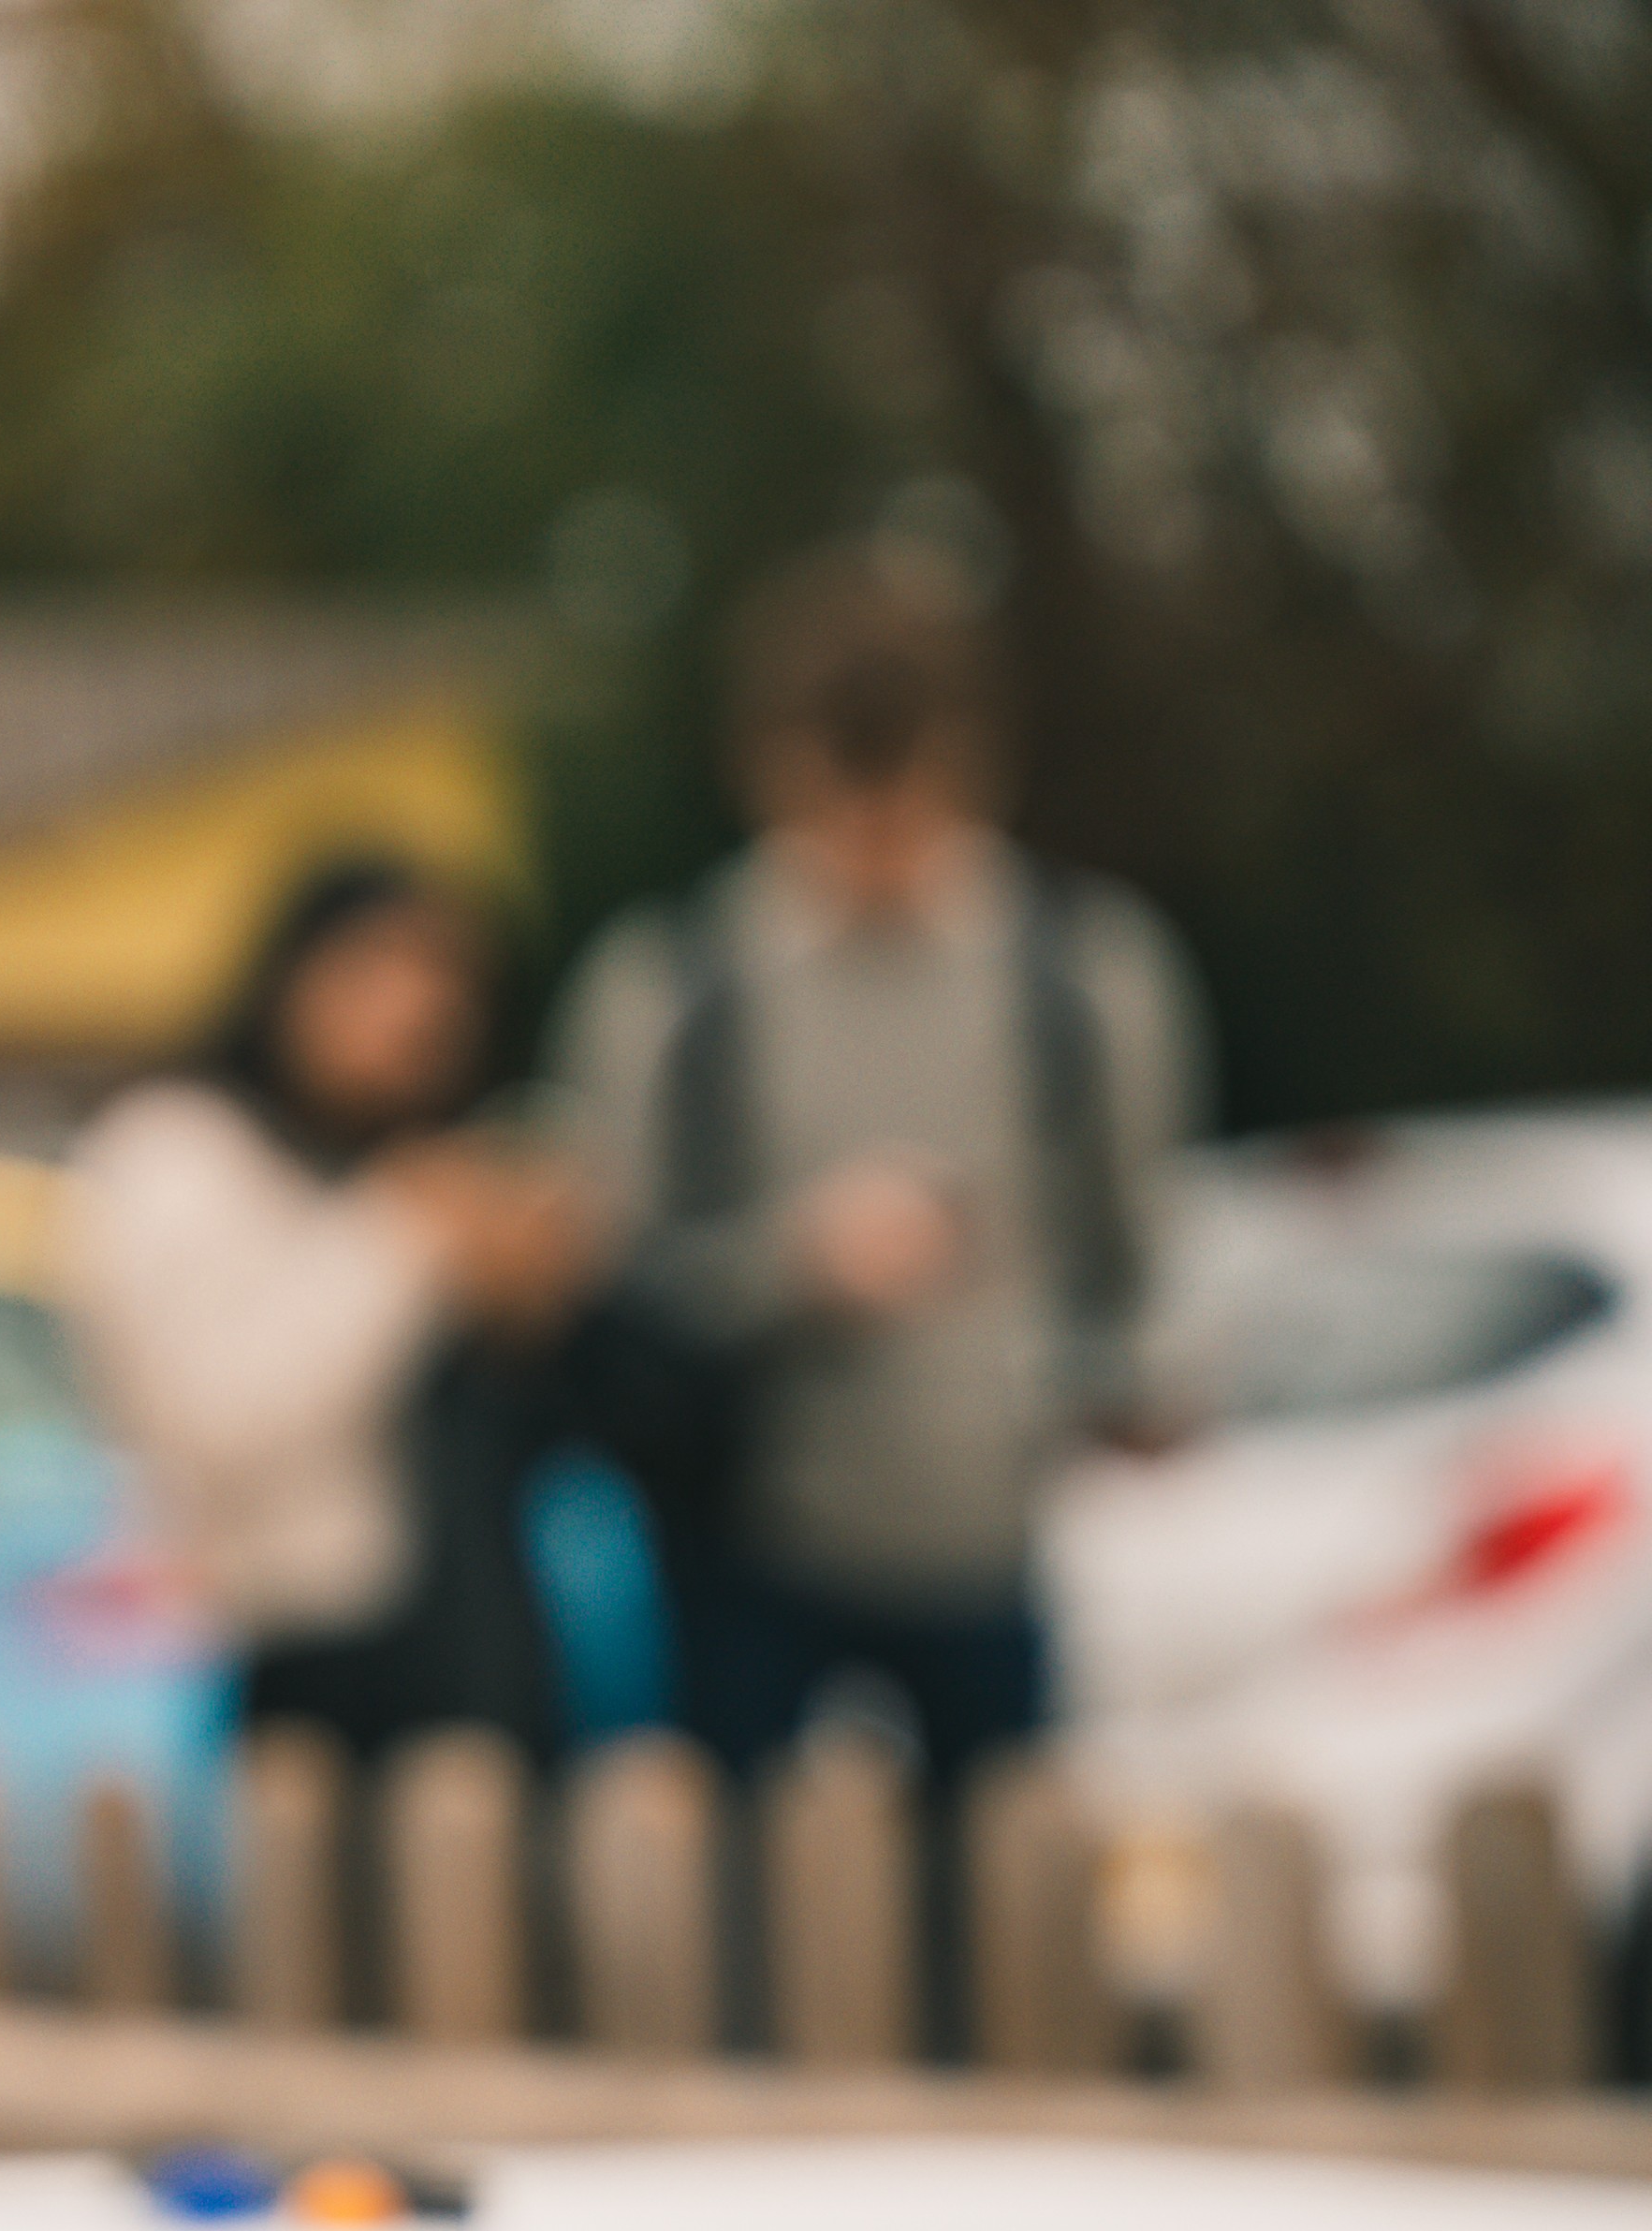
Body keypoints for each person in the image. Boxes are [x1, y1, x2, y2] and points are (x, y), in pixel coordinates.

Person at [552, 541, 1206, 1812]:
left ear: (979, 765)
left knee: (997, 1949)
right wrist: (798, 1264)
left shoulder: (1090, 977)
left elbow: (1132, 1262)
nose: (876, 852)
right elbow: (612, 1287)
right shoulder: (670, 988)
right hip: (743, 1543)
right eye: (837, 815)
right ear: (765, 772)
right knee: (754, 1952)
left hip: (987, 1546)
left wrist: (1105, 1384)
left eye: (910, 810)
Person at [61, 856, 599, 1772]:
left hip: (491, 1657)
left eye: (447, 978)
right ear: (290, 974)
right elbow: (216, 1416)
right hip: (304, 1662)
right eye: (374, 969)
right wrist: (407, 1234)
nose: (417, 1010)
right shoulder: (180, 1152)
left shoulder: (438, 1159)